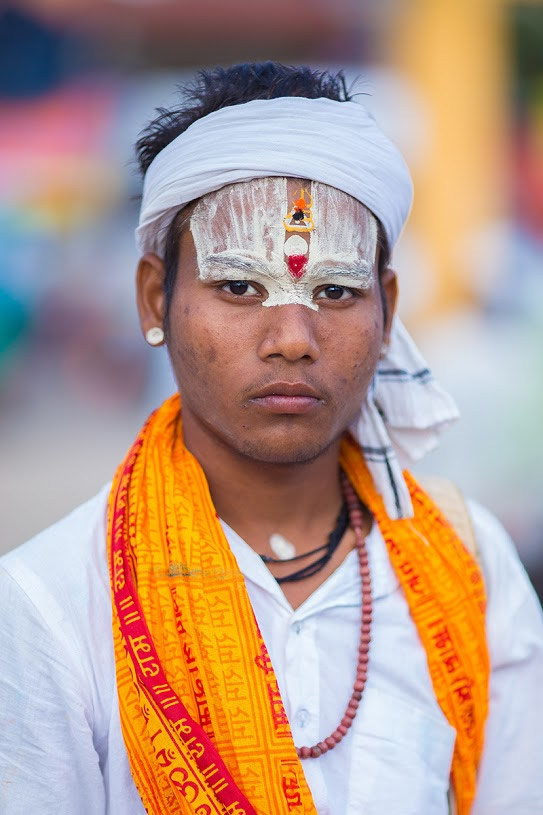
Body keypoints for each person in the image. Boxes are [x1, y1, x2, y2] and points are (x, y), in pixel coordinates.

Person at [1, 62, 542, 815]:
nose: (292, 337)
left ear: (385, 308)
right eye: (238, 287)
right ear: (156, 296)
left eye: (334, 290)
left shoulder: (470, 570)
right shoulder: (52, 601)